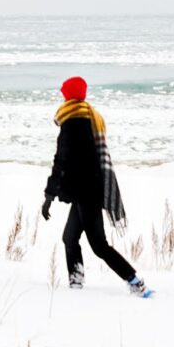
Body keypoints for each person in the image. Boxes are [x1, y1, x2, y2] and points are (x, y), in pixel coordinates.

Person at [41, 76, 151, 297]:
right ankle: (76, 281)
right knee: (69, 238)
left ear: (68, 95)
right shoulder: (90, 117)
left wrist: (49, 195)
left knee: (99, 245)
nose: (62, 95)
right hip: (88, 190)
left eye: (64, 92)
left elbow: (60, 161)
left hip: (86, 192)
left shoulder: (72, 122)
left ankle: (134, 281)